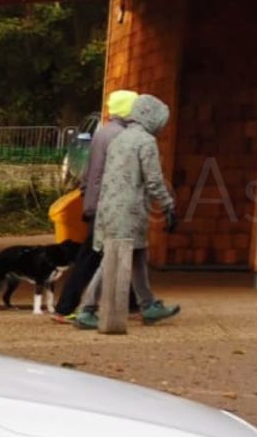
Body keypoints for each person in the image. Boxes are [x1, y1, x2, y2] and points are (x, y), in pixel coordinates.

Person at [73, 93, 180, 329]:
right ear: (152, 118)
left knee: (138, 257)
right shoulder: (145, 142)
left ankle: (148, 304)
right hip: (129, 212)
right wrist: (168, 205)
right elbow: (153, 180)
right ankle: (87, 309)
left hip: (109, 208)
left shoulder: (119, 139)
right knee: (112, 259)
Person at [53, 89, 137, 319]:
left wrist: (87, 196)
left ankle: (134, 303)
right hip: (109, 205)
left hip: (97, 203)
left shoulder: (103, 132)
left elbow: (90, 171)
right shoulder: (122, 136)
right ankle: (65, 307)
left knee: (108, 254)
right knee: (94, 256)